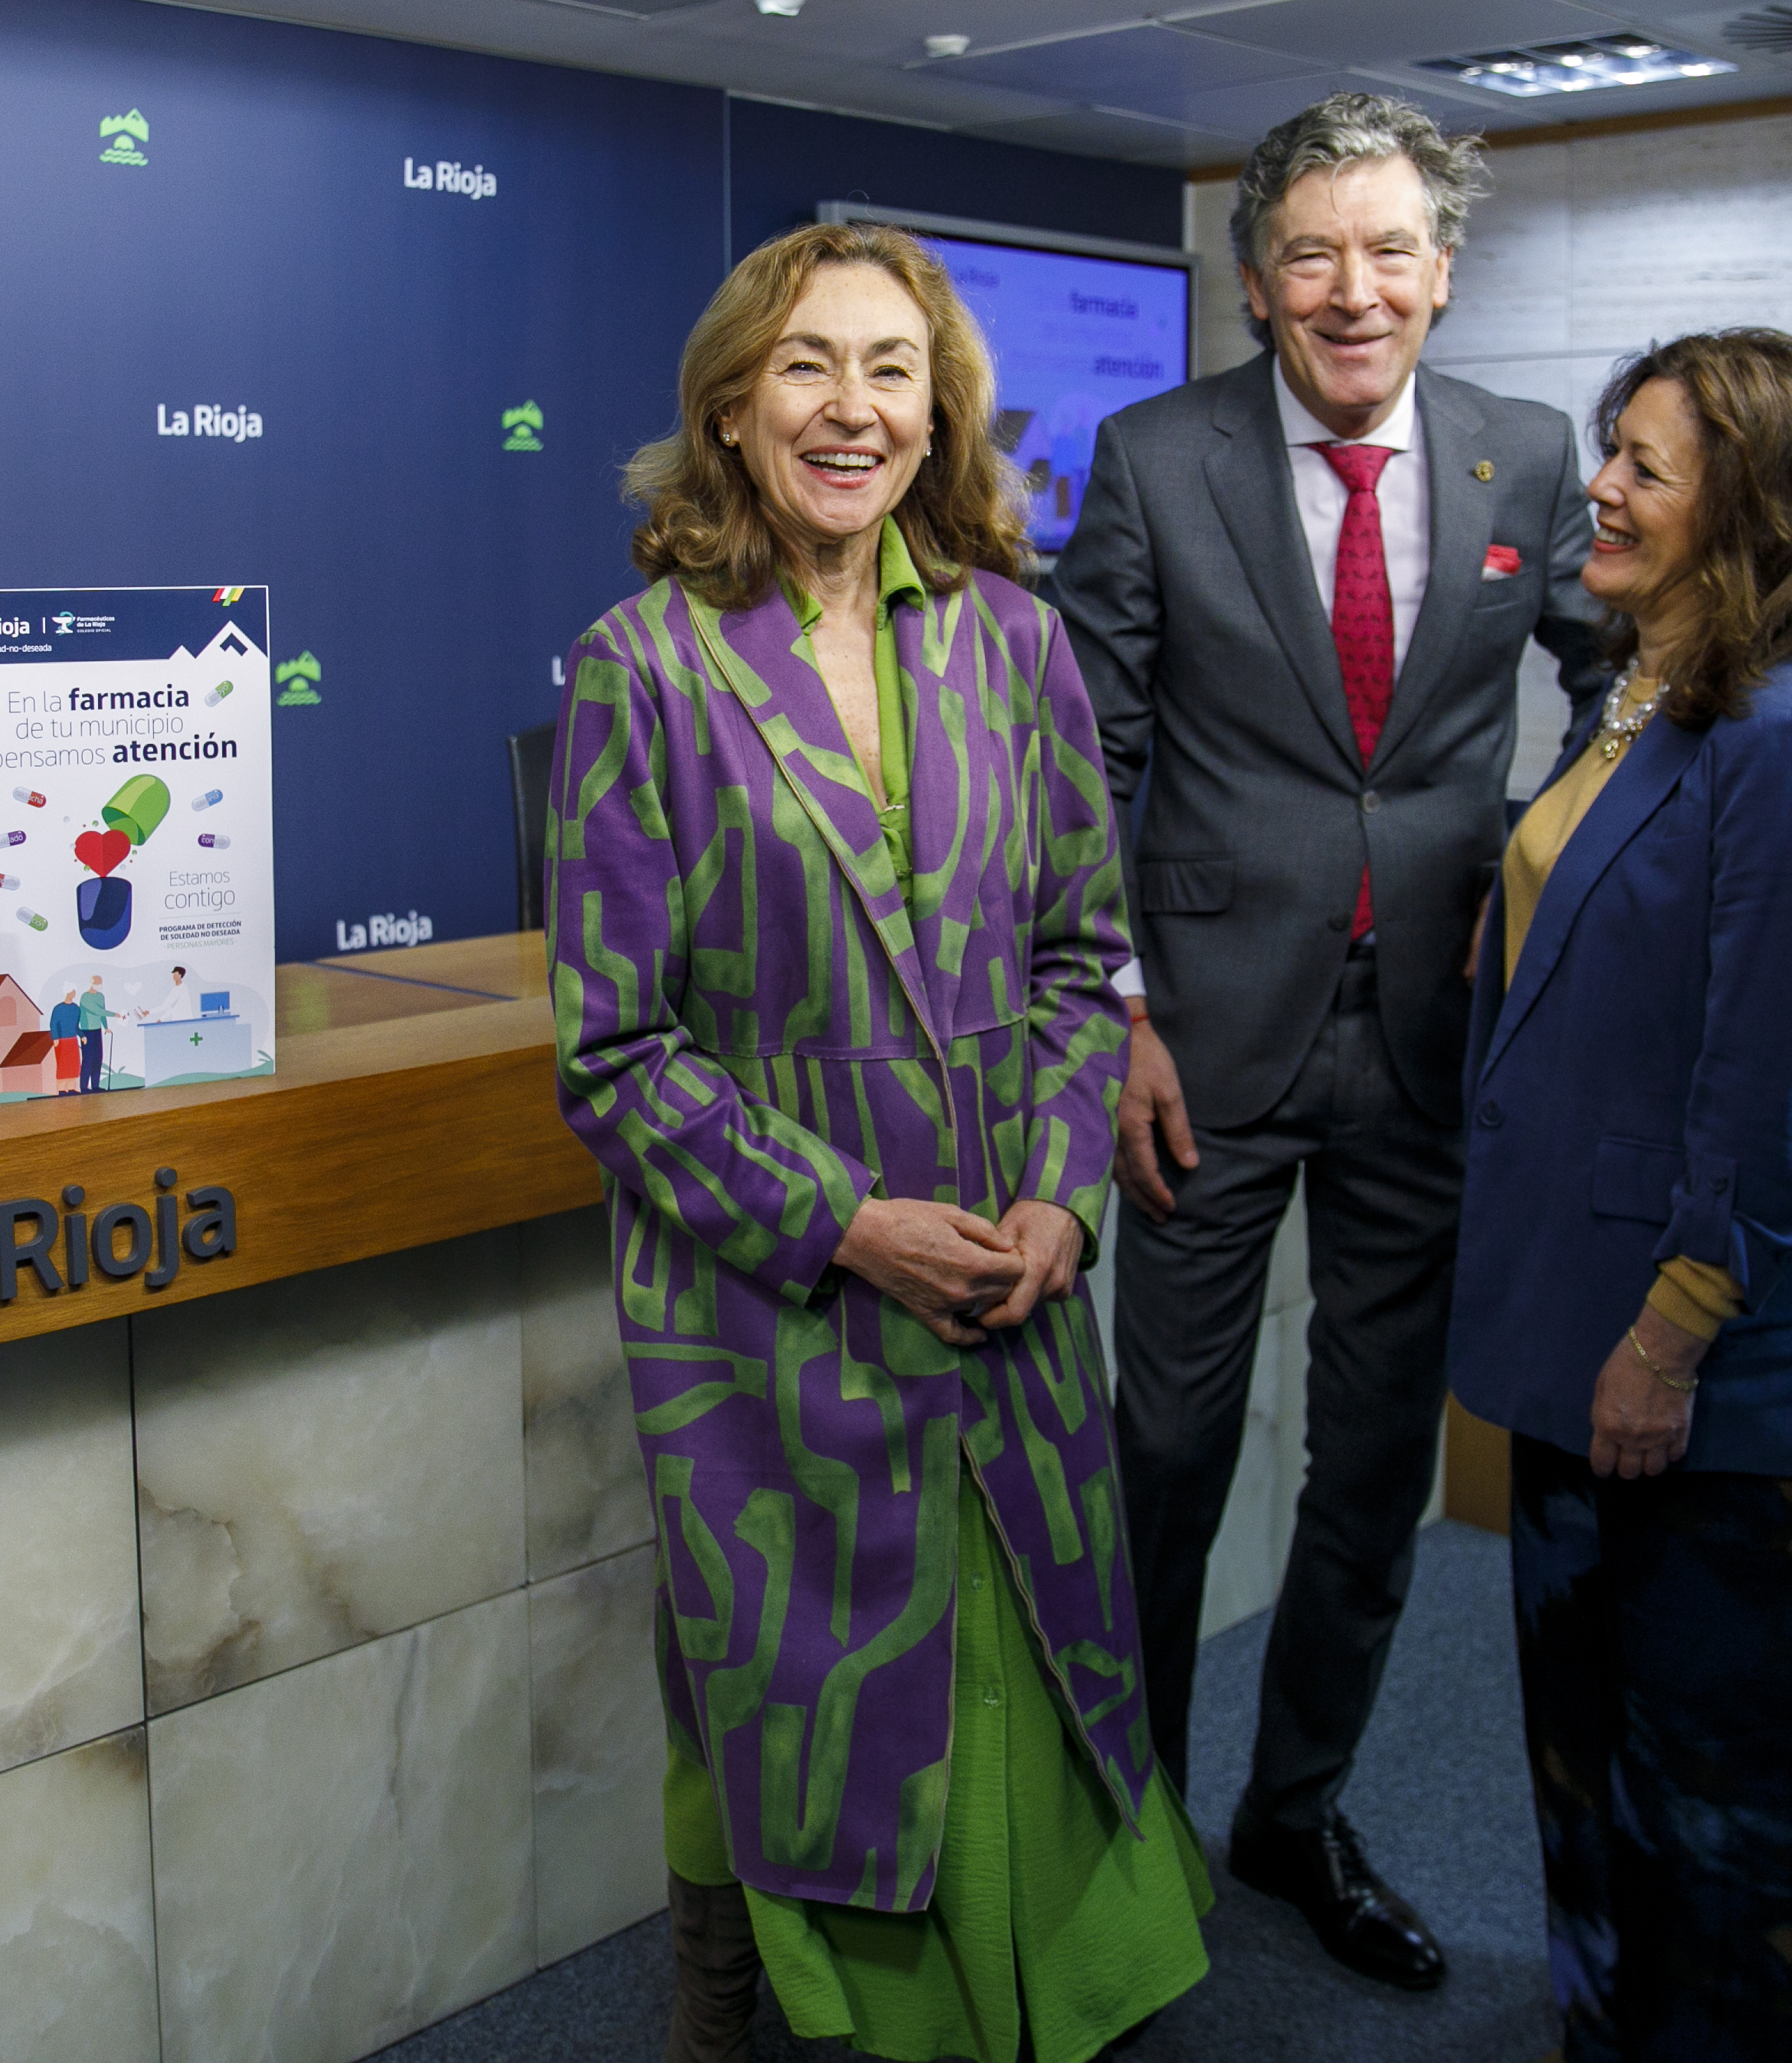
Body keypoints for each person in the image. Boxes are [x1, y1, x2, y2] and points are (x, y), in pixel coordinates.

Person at [548, 221, 1206, 2063]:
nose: (853, 407)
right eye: (809, 367)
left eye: (892, 369)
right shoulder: (647, 674)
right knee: (808, 1709)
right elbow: (614, 1053)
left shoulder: (1019, 643)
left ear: (942, 413)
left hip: (1010, 1288)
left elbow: (1086, 962)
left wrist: (1064, 1195)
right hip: (775, 1316)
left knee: (1029, 1681)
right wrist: (849, 1225)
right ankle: (755, 2009)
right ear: (734, 413)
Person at [1051, 90, 1607, 1990]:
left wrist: (1551, 900)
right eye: (1311, 252)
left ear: (1445, 275)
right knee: (1169, 1456)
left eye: (1390, 252)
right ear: (1257, 280)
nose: (1352, 290)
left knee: (1374, 1468)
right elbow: (1087, 767)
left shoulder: (1532, 461)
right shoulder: (1153, 458)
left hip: (1437, 1049)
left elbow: (1620, 697)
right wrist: (1114, 1005)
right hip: (1200, 1048)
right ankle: (1127, 1834)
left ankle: (1296, 1812)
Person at [1450, 329, 1792, 2061]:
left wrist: (1670, 1336)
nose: (1605, 490)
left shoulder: (1784, 741)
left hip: (1704, 1382)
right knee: (1599, 1771)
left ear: (1754, 512)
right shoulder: (1643, 691)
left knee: (1736, 1827)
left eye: (1647, 465)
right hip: (1586, 1329)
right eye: (1609, 451)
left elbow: (1777, 1092)